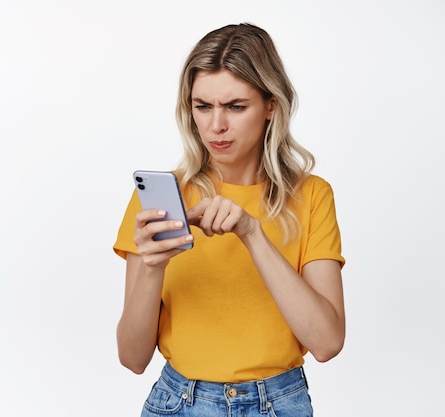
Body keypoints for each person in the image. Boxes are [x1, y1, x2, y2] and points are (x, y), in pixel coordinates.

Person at [113, 23, 345, 417]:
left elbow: (326, 343)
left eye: (236, 106)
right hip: (177, 402)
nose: (215, 126)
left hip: (277, 403)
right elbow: (133, 359)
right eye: (202, 106)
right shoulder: (161, 200)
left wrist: (252, 233)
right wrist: (153, 267)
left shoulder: (310, 196)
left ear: (271, 105)